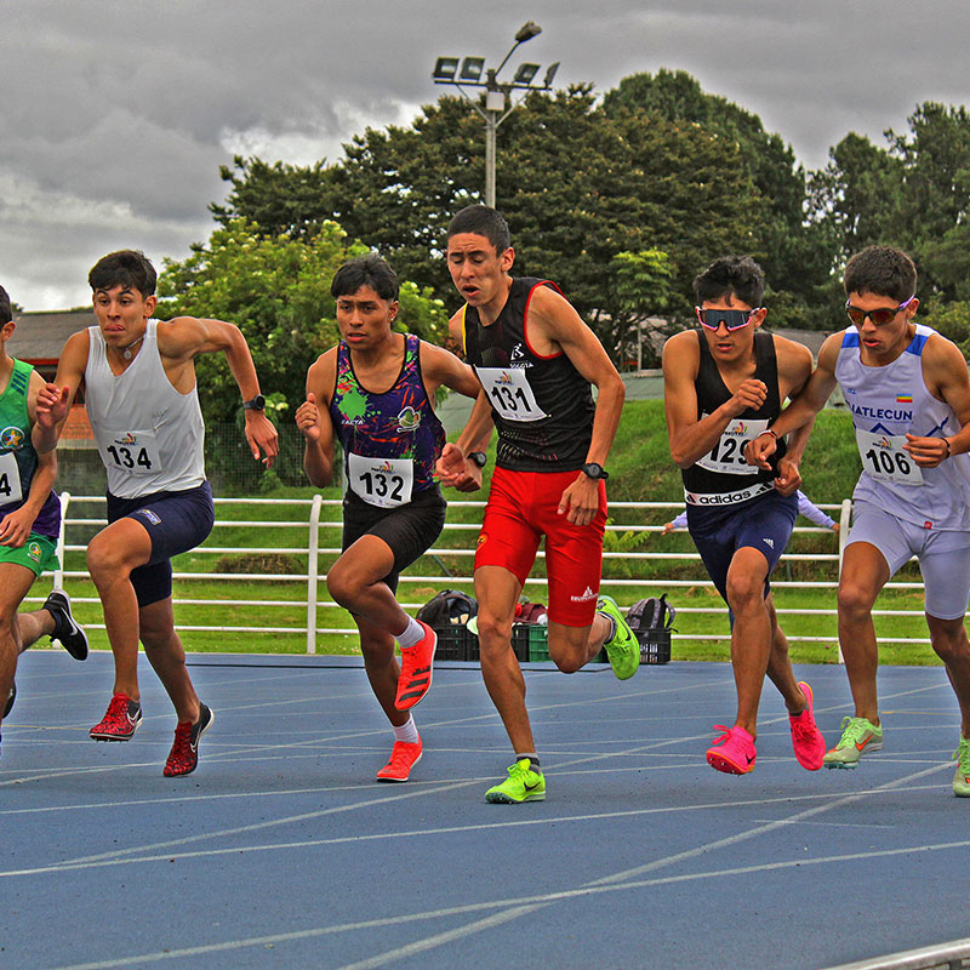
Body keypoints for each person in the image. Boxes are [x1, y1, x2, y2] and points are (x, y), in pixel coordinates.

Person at [33, 250, 278, 777]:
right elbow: (52, 427)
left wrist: (254, 411)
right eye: (103, 302)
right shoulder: (82, 346)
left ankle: (126, 697)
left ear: (149, 305)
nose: (113, 313)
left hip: (183, 500)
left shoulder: (172, 339)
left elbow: (233, 335)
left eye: (125, 302)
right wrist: (51, 420)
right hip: (127, 502)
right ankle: (192, 715)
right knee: (156, 630)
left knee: (102, 555)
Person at [747, 245, 970, 796]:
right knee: (851, 598)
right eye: (856, 313)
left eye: (881, 315)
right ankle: (866, 718)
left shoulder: (938, 357)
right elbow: (812, 402)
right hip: (884, 499)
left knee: (946, 637)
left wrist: (948, 447)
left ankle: (969, 736)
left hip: (950, 512)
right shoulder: (838, 351)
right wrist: (777, 433)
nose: (867, 327)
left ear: (909, 309)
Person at [436, 204, 639, 805]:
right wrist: (467, 452)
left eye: (477, 259)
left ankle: (607, 622)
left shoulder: (544, 308)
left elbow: (613, 384)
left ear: (506, 259)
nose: (466, 272)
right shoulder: (464, 325)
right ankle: (526, 763)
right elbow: (496, 392)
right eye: (455, 260)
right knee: (491, 624)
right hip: (514, 488)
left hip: (573, 492)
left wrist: (592, 473)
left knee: (568, 657)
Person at [296, 254, 483, 783]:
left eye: (367, 309)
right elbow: (319, 474)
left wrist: (471, 453)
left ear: (392, 311)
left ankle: (419, 637)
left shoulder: (426, 361)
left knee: (344, 582)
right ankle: (405, 739)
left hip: (417, 507)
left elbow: (492, 393)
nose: (354, 320)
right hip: (361, 510)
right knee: (372, 643)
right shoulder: (325, 370)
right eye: (345, 308)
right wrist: (312, 440)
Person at [662, 255, 827, 776]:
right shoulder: (683, 353)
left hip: (764, 500)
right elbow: (682, 451)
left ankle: (744, 734)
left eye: (733, 320)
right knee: (763, 626)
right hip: (708, 512)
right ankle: (800, 707)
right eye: (709, 318)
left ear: (758, 316)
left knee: (744, 584)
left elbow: (811, 401)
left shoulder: (792, 358)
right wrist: (731, 408)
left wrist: (788, 452)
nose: (720, 332)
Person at [0, 285, 89, 756]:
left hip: (25, 519)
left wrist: (26, 511)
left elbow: (48, 463)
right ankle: (53, 618)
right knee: (5, 626)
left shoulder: (29, 386)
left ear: (7, 331)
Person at [661, 490, 840, 535]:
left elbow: (801, 503)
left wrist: (829, 523)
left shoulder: (773, 477)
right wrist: (676, 523)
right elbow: (709, 503)